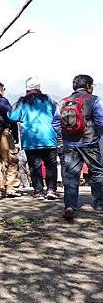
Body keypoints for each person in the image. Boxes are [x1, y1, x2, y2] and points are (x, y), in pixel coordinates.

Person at [52, 74, 103, 217]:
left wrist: (65, 135)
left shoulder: (63, 102)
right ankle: (99, 204)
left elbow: (55, 123)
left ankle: (70, 206)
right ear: (88, 86)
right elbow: (101, 121)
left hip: (70, 145)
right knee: (97, 172)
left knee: (70, 175)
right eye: (92, 85)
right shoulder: (94, 100)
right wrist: (97, 136)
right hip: (90, 143)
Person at [8, 77, 59, 200]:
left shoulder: (23, 101)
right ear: (39, 87)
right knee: (51, 165)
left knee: (34, 166)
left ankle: (38, 192)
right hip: (49, 138)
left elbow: (12, 117)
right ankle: (51, 189)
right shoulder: (48, 100)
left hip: (31, 140)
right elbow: (57, 116)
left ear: (27, 88)